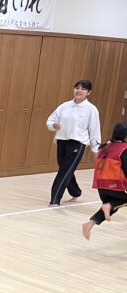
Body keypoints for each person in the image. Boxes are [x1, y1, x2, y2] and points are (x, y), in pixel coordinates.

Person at [46, 79, 101, 207]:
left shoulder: (91, 109)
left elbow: (95, 130)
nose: (79, 90)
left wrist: (95, 149)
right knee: (65, 168)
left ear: (88, 92)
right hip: (61, 142)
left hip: (77, 144)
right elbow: (50, 121)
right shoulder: (64, 106)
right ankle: (76, 191)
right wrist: (53, 125)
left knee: (64, 171)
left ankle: (55, 199)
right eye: (77, 87)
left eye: (83, 88)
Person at [82, 121, 127, 240]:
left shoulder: (105, 147)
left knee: (110, 206)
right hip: (114, 184)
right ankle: (108, 206)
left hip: (100, 185)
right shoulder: (124, 149)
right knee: (120, 201)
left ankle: (89, 224)